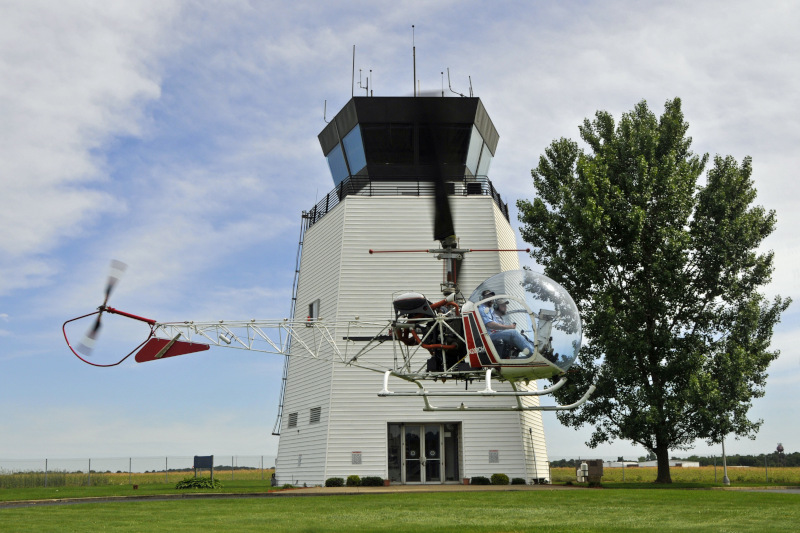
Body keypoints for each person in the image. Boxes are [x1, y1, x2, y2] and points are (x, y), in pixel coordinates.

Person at [478, 290, 535, 358]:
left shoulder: (488, 310)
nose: (491, 299)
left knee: (521, 336)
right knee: (513, 333)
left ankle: (535, 352)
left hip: (493, 334)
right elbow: (490, 324)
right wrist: (509, 327)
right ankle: (533, 354)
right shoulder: (483, 309)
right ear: (482, 299)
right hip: (489, 336)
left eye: (492, 297)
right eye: (488, 297)